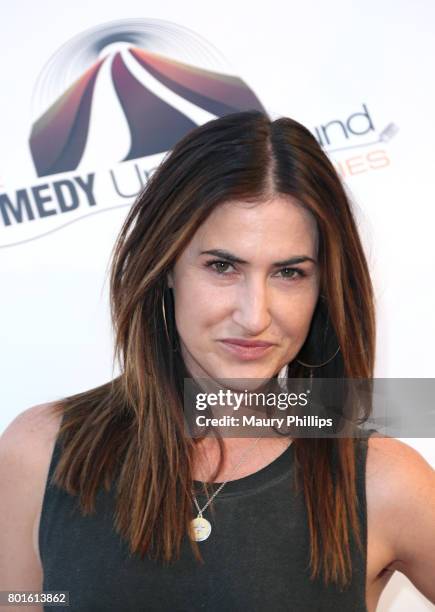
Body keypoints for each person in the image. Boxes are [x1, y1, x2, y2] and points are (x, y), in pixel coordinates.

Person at [0, 110, 434, 612]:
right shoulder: (41, 453)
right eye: (223, 266)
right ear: (165, 266)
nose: (254, 316)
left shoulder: (381, 481)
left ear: (323, 288)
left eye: (289, 273)